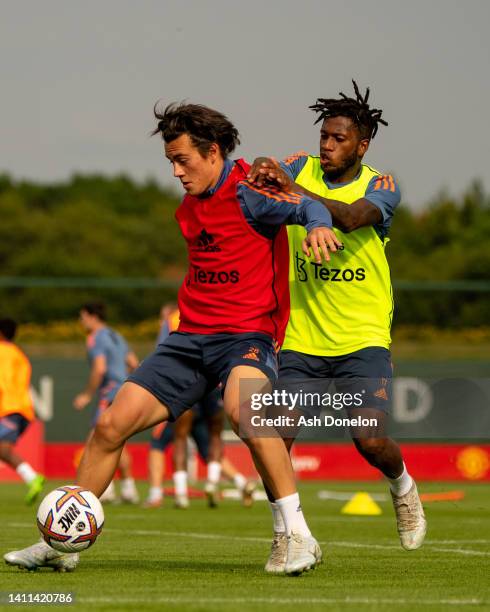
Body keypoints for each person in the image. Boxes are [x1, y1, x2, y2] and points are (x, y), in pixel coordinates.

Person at [5, 102, 341, 575]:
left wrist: (320, 227)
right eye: (170, 162)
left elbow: (307, 205)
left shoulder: (251, 192)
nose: (176, 171)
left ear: (214, 151)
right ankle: (63, 547)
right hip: (187, 341)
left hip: (245, 336)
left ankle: (300, 537)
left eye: (183, 160)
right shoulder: (190, 205)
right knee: (108, 428)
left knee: (247, 413)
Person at [248, 81, 427, 573]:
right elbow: (261, 171)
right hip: (302, 335)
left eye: (339, 139)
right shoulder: (300, 165)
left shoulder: (381, 186)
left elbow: (346, 219)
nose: (328, 145)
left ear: (362, 144)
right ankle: (288, 535)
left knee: (368, 439)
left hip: (363, 335)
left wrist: (291, 192)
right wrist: (267, 167)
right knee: (273, 438)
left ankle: (402, 487)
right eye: (325, 136)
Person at [144, 305, 255, 509]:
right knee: (212, 440)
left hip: (186, 384)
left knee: (171, 440)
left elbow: (163, 352)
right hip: (215, 383)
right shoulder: (222, 311)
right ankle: (220, 482)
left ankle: (175, 494)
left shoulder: (173, 318)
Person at [73, 302, 140, 504]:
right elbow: (134, 364)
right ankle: (129, 489)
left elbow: (100, 368)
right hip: (124, 391)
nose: (81, 321)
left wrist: (87, 394)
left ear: (92, 317)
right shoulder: (116, 335)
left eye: (83, 316)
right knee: (116, 439)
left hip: (109, 392)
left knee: (96, 440)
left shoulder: (96, 337)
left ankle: (106, 489)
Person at [0, 319, 45, 505]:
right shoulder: (19, 354)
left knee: (2, 448)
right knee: (3, 449)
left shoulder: (3, 351)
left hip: (10, 407)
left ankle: (33, 478)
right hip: (22, 408)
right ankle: (32, 479)